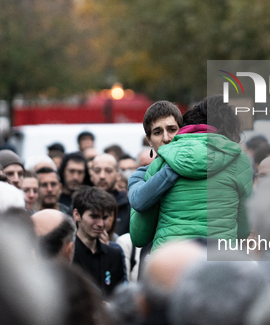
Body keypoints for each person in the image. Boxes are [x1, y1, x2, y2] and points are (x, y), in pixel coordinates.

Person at [130, 96, 253, 250]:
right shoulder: (239, 160)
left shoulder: (159, 165)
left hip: (171, 260)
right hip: (219, 257)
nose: (166, 138)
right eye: (157, 132)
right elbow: (244, 228)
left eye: (172, 129)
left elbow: (139, 235)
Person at [72, 186, 126, 297]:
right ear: (77, 215)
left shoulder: (114, 255)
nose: (101, 223)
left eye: (105, 217)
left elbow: (119, 296)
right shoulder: (68, 254)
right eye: (94, 216)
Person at [90, 153, 131, 235]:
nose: (102, 176)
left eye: (108, 171)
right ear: (91, 175)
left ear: (118, 176)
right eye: (97, 171)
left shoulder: (130, 205)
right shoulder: (81, 203)